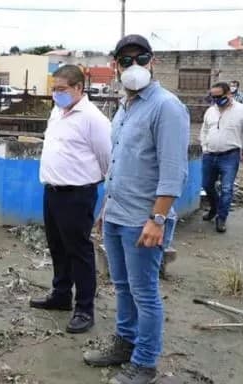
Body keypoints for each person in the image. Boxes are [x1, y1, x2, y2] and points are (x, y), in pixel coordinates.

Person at [83, 35, 189, 384]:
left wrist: (158, 219)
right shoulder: (125, 108)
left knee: (144, 293)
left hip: (143, 220)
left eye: (139, 58)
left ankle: (145, 363)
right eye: (125, 60)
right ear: (115, 66)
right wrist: (105, 208)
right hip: (117, 215)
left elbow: (173, 171)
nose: (133, 66)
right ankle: (124, 344)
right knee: (122, 286)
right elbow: (119, 163)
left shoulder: (166, 107)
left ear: (152, 61)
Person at [30, 65, 111, 334]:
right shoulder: (57, 112)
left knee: (79, 251)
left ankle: (85, 309)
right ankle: (61, 294)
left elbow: (107, 159)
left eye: (62, 89)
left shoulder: (93, 119)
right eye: (54, 89)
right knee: (57, 246)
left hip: (77, 194)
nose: (56, 94)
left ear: (79, 88)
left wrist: (101, 190)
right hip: (52, 191)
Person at [200, 82, 243, 233]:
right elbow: (204, 130)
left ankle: (221, 218)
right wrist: (204, 147)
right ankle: (214, 208)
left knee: (226, 188)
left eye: (219, 96)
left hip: (229, 156)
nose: (216, 100)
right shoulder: (211, 111)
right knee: (207, 185)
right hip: (210, 155)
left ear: (229, 94)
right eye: (213, 97)